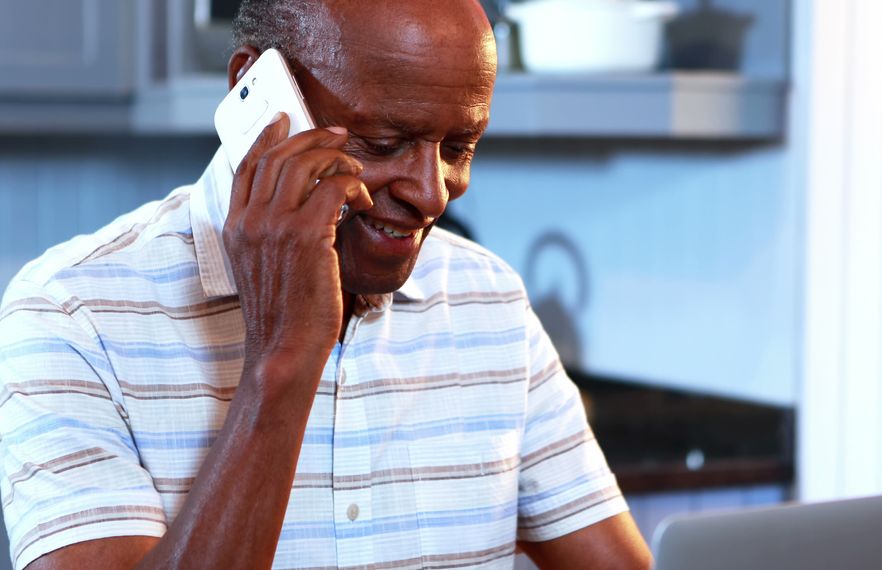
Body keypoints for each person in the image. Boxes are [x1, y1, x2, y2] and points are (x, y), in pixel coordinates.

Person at [0, 1, 652, 568]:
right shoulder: (69, 316)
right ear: (256, 93)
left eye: (459, 147)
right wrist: (283, 359)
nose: (433, 194)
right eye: (384, 140)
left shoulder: (488, 300)